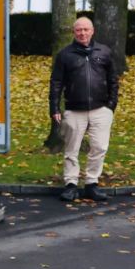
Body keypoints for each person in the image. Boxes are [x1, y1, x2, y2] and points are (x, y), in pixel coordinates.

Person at [49, 16, 119, 202]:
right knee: (71, 149)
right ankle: (71, 184)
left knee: (99, 147)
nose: (82, 33)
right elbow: (56, 83)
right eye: (79, 30)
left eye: (86, 29)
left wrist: (111, 105)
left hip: (101, 109)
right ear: (74, 32)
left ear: (92, 30)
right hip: (74, 110)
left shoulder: (104, 52)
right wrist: (54, 108)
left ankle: (91, 184)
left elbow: (113, 79)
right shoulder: (65, 55)